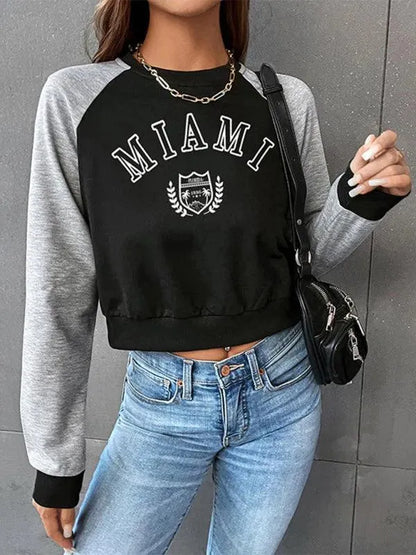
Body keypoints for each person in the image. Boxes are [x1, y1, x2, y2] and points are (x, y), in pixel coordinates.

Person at [20, 0, 412, 553]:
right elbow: (57, 290)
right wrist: (55, 458)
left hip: (283, 390)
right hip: (164, 399)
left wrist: (359, 198)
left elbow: (306, 256)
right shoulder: (77, 99)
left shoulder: (283, 99)